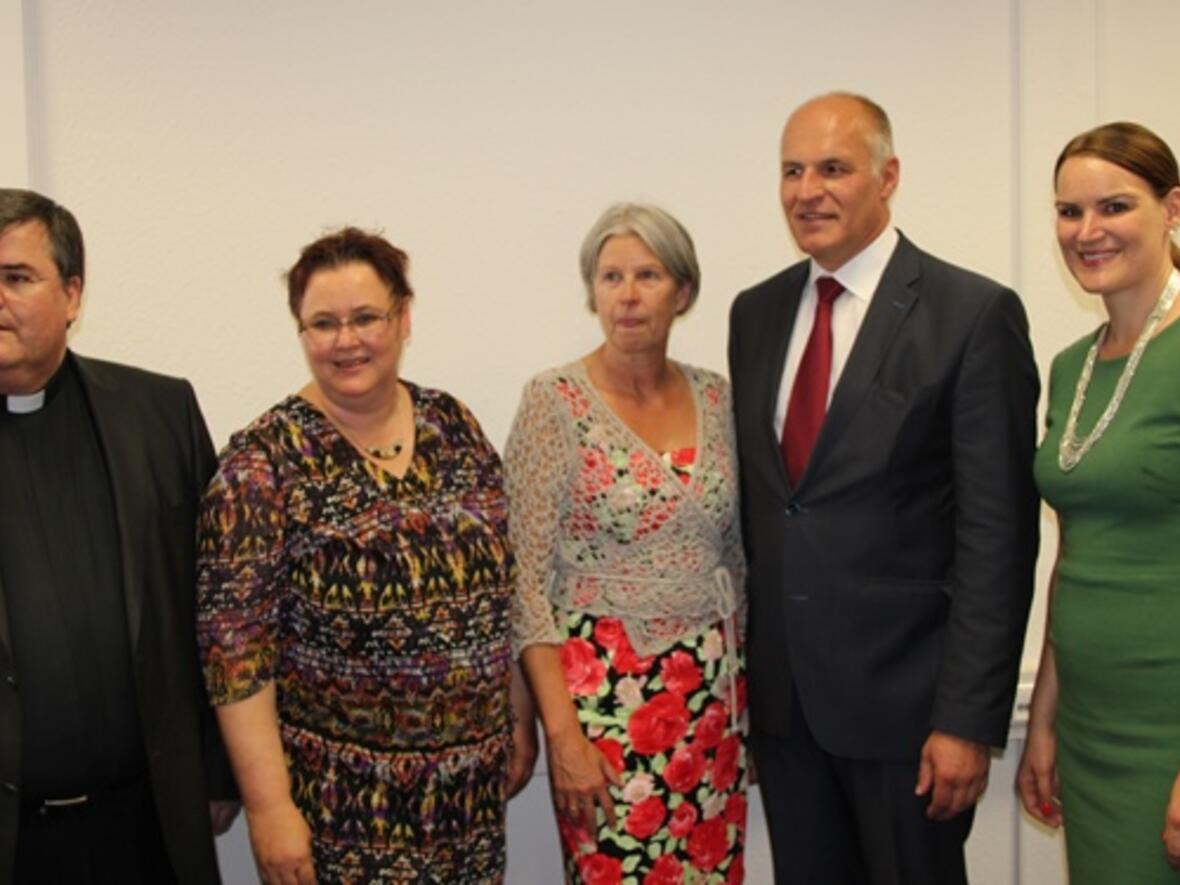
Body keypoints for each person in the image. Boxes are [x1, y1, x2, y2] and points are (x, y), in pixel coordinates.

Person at [728, 93, 1040, 884]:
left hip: (910, 720)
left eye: (833, 168)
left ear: (888, 176)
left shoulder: (970, 315)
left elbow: (996, 538)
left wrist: (967, 720)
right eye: (792, 171)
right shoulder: (755, 314)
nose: (807, 190)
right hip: (789, 713)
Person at [196, 227, 534, 884]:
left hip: (467, 808)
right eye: (323, 323)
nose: (346, 340)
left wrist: (518, 715)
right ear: (300, 332)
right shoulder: (260, 464)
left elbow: (504, 584)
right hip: (342, 816)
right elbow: (233, 658)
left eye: (365, 318)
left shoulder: (454, 425)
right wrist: (269, 808)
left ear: (403, 317)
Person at [0, 188, 237, 884]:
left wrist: (220, 764)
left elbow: (220, 604)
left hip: (146, 824)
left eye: (17, 277)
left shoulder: (159, 415)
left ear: (73, 293)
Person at [506, 203, 747, 884]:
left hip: (713, 708)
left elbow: (737, 558)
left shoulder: (719, 397)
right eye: (611, 276)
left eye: (649, 274)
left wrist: (748, 708)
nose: (629, 294)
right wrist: (561, 736)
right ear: (592, 291)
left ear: (684, 292)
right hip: (601, 708)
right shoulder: (554, 401)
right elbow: (523, 577)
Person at [1017, 122, 1180, 881]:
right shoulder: (1071, 365)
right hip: (1088, 726)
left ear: (1172, 208)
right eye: (1068, 211)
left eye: (1113, 207)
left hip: (1167, 728)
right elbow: (1073, 555)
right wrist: (1044, 719)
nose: (1087, 232)